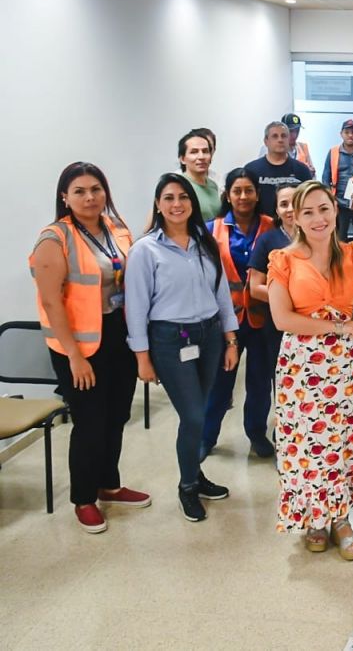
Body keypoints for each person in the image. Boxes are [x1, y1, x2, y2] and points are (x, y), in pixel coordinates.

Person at [29, 162, 148, 533]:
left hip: (118, 333)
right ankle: (83, 498)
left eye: (96, 189)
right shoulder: (54, 238)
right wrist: (76, 357)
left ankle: (108, 484)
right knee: (90, 423)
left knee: (117, 416)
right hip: (78, 345)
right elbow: (51, 303)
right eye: (79, 191)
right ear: (64, 196)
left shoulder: (116, 228)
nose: (90, 197)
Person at [266, 180, 353, 558]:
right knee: (307, 443)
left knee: (342, 440)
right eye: (307, 211)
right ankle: (314, 517)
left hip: (344, 366)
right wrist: (338, 327)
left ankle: (340, 519)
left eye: (323, 208)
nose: (317, 218)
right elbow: (282, 318)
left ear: (335, 209)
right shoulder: (283, 259)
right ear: (295, 217)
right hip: (302, 366)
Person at [126, 173, 237, 522]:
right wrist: (142, 358)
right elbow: (136, 306)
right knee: (191, 416)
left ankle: (196, 475)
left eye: (183, 197)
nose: (177, 204)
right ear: (158, 205)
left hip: (208, 335)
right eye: (169, 198)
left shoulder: (206, 243)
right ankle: (187, 486)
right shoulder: (145, 249)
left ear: (192, 202)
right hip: (170, 340)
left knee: (200, 412)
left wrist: (231, 339)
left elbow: (222, 295)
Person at [200, 168, 276, 460]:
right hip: (224, 322)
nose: (243, 197)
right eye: (237, 191)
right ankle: (207, 437)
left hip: (262, 318)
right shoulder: (212, 229)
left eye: (249, 191)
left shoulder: (272, 227)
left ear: (257, 195)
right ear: (228, 195)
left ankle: (256, 434)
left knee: (259, 383)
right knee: (219, 383)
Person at [248, 184, 297, 371]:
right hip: (279, 325)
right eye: (284, 204)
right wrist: (293, 299)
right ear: (277, 210)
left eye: (295, 202)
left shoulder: (319, 238)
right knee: (284, 381)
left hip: (317, 323)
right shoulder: (267, 240)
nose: (290, 209)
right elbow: (255, 287)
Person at [245, 121, 313, 217]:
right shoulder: (251, 169)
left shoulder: (302, 170)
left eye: (284, 136)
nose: (280, 140)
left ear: (288, 139)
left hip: (293, 226)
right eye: (275, 136)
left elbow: (309, 201)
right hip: (260, 227)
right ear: (266, 141)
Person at [178, 130, 220, 221]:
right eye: (194, 152)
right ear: (182, 159)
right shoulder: (178, 186)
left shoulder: (213, 185)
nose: (201, 157)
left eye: (205, 151)